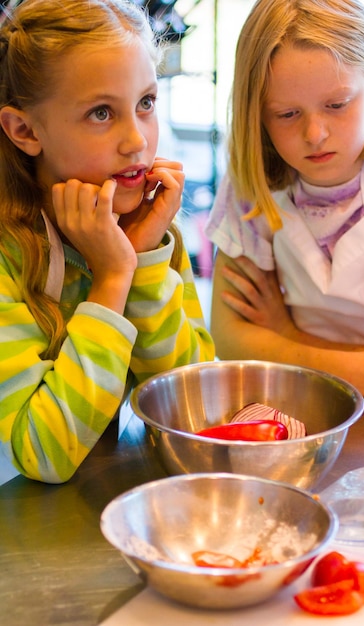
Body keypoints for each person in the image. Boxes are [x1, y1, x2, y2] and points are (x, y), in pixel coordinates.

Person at [0, 0, 215, 483]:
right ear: (24, 130)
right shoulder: (7, 254)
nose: (137, 140)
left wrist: (141, 258)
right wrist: (114, 277)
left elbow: (195, 409)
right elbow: (42, 455)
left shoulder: (144, 227)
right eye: (101, 112)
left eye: (146, 103)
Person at [205, 0, 364, 406]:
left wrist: (285, 337)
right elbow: (229, 338)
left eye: (337, 105)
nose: (315, 134)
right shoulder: (253, 178)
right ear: (257, 115)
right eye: (286, 114)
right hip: (298, 407)